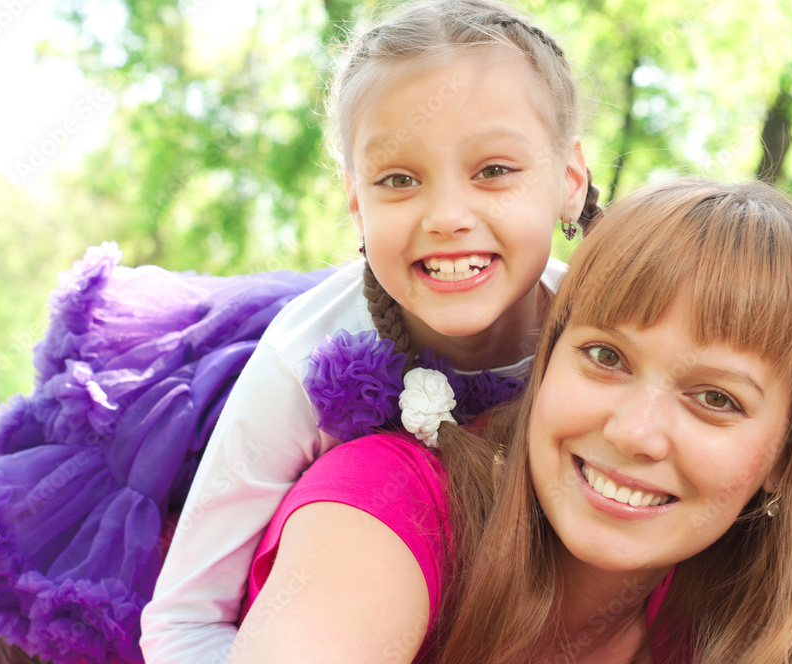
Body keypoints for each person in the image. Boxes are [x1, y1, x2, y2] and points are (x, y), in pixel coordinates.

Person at [234, 177, 792, 663]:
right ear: (548, 355)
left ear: (786, 458)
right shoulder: (389, 505)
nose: (633, 432)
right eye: (604, 355)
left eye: (716, 399)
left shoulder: (771, 585)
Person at [135, 1, 596, 662]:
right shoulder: (303, 359)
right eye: (399, 180)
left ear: (570, 181)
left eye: (493, 170)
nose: (447, 216)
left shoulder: (603, 340)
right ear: (357, 202)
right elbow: (183, 620)